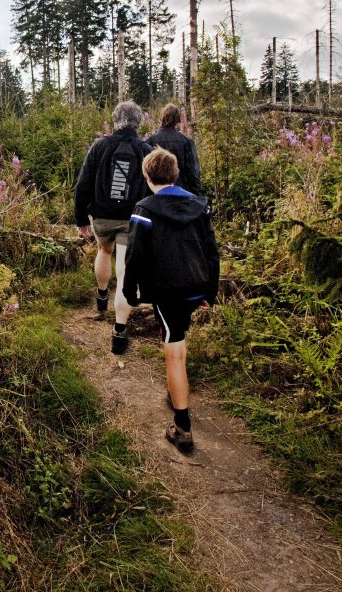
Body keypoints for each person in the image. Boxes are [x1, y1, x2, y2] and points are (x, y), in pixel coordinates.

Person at [122, 148, 219, 454]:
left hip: (167, 290)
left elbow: (135, 256)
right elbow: (212, 249)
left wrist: (130, 292)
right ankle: (176, 392)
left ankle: (182, 426)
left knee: (173, 348)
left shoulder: (144, 209)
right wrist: (210, 292)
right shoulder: (198, 206)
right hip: (196, 286)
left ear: (147, 176)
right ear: (176, 174)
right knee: (178, 337)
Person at [74, 100, 151, 339]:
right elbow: (153, 188)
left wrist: (81, 220)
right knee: (125, 268)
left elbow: (82, 184)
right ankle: (119, 329)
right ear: (139, 122)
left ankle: (101, 295)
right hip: (132, 219)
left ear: (115, 120)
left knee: (104, 252)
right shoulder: (146, 150)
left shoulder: (99, 146)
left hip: (102, 217)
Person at [145, 103, 203, 195]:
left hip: (156, 194)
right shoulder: (186, 142)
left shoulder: (150, 141)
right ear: (178, 120)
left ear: (162, 117)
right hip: (181, 193)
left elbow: (146, 171)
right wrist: (196, 195)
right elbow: (193, 172)